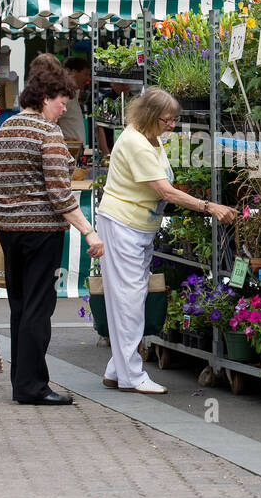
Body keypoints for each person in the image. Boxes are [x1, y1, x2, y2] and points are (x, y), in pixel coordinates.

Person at [97, 88, 236, 394]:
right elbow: (166, 191)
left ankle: (116, 370)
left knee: (129, 297)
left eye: (174, 119)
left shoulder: (148, 136)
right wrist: (209, 206)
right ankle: (131, 376)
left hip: (136, 226)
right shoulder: (136, 143)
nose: (172, 125)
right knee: (129, 300)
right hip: (124, 225)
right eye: (168, 119)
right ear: (150, 116)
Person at [0, 64, 104, 405]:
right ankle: (33, 386)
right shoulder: (48, 133)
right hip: (41, 230)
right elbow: (59, 193)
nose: (65, 107)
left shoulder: (5, 129)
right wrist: (88, 231)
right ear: (44, 98)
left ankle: (21, 380)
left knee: (21, 306)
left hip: (8, 229)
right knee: (39, 309)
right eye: (61, 100)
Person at [59, 55, 90, 146]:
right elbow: (51, 121)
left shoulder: (73, 93)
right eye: (86, 74)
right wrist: (62, 139)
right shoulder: (64, 94)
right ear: (73, 72)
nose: (88, 79)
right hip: (68, 151)